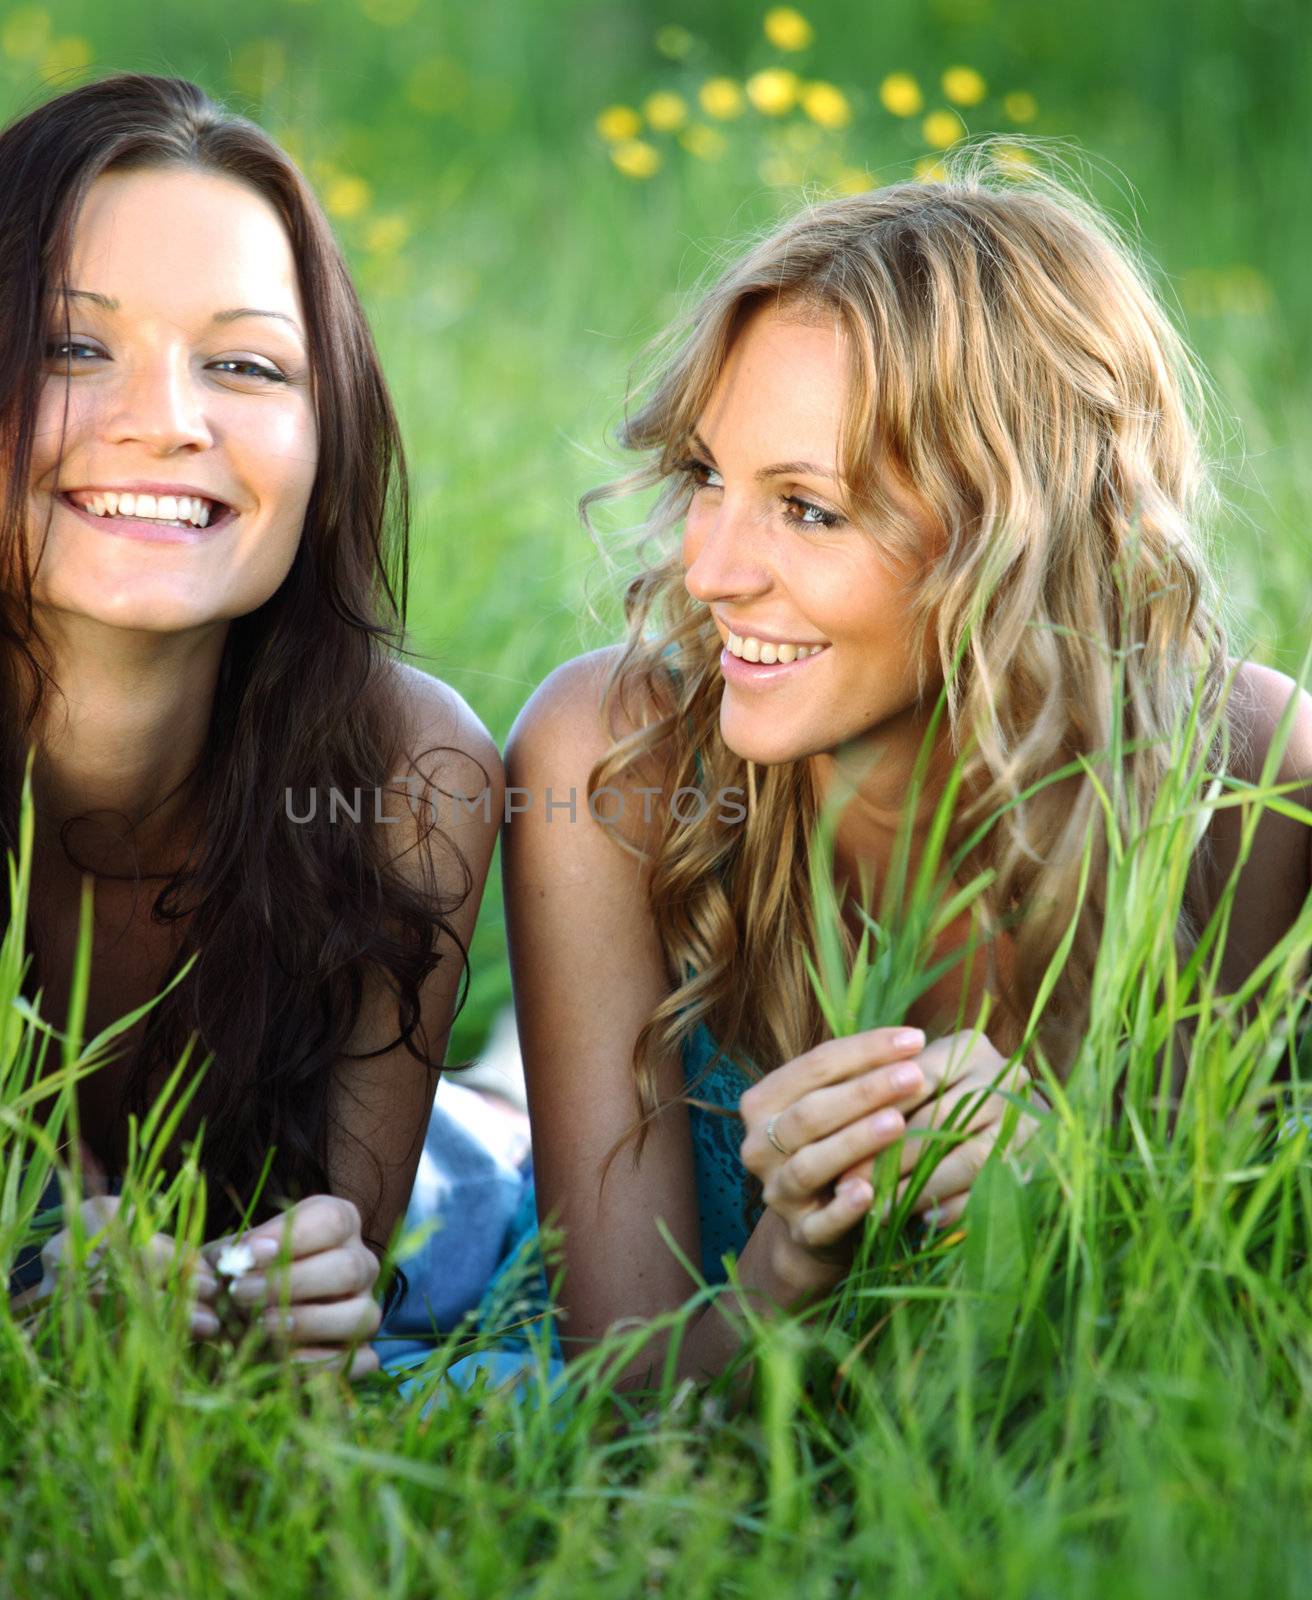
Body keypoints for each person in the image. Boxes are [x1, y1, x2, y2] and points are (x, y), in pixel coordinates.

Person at [0, 73, 504, 1378]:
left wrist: (305, 1302)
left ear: (329, 435)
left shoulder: (415, 770)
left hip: (458, 1205)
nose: (166, 421)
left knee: (493, 1162)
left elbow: (347, 1274)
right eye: (74, 347)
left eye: (245, 363)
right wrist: (4, 1303)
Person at [503, 144, 1312, 1388]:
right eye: (708, 477)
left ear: (1018, 537)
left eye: (808, 509)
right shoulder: (615, 761)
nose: (711, 568)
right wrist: (789, 1260)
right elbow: (619, 1404)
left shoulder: (1251, 788)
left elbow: (1248, 1364)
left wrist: (1078, 1207)